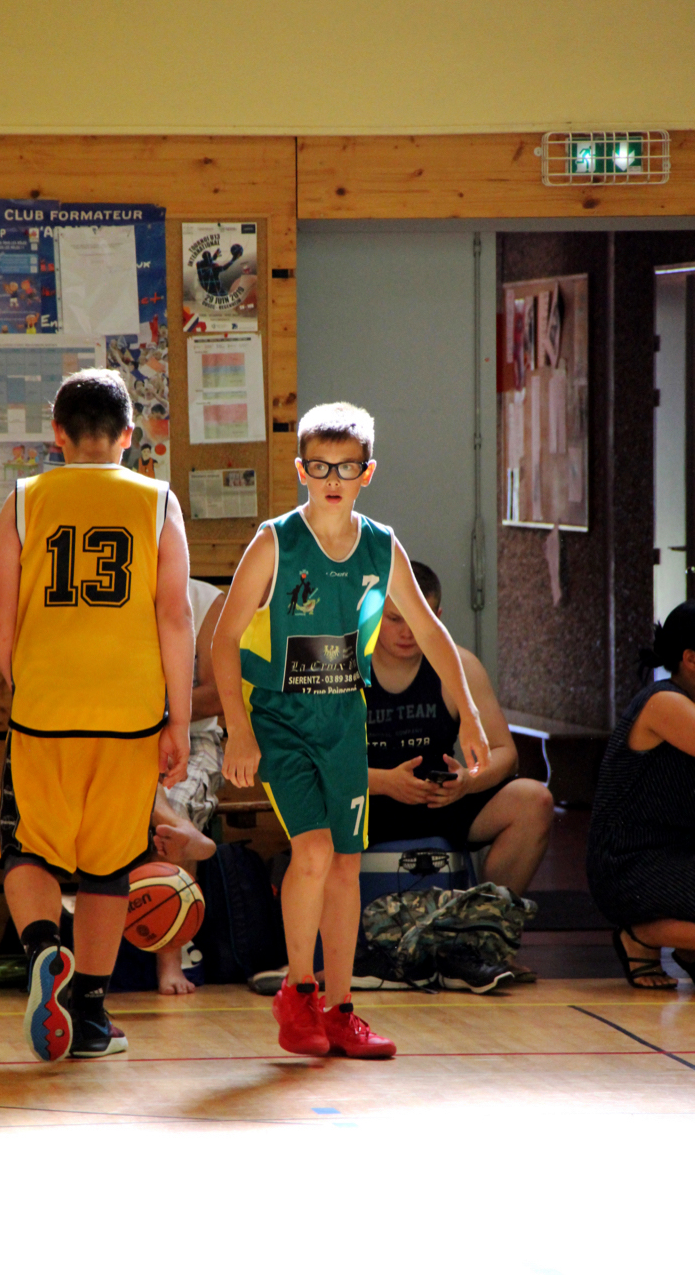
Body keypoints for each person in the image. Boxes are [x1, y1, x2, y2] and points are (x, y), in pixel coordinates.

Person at [212, 401, 490, 1059]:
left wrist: (471, 716)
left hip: (342, 717)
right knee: (310, 852)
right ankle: (298, 991)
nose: (331, 478)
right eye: (319, 466)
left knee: (343, 864)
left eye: (345, 467)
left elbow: (431, 633)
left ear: (368, 472)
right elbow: (224, 640)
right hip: (280, 719)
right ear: (300, 469)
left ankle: (340, 1010)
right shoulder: (274, 542)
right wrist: (239, 730)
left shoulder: (381, 546)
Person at [0, 367, 193, 1061]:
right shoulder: (158, 500)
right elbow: (175, 615)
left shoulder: (24, 499)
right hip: (128, 711)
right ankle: (93, 1016)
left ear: (58, 434)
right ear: (129, 436)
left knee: (28, 847)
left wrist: (23, 684)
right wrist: (177, 720)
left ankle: (45, 948)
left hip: (46, 708)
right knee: (110, 864)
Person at [367, 562, 553, 898]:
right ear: (374, 614)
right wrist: (384, 782)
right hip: (369, 801)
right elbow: (318, 765)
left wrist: (468, 781)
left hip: (440, 800)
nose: (408, 632)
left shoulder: (461, 666)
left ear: (438, 618)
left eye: (420, 619)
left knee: (534, 800)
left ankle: (486, 915)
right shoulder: (345, 669)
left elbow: (505, 753)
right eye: (396, 619)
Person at [587, 602, 695, 990]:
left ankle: (687, 948)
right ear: (691, 659)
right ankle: (642, 935)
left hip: (679, 858)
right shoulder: (664, 702)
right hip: (630, 865)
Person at [153, 577, 223, 995]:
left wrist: (158, 713)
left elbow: (217, 695)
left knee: (174, 816)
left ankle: (171, 959)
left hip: (195, 737)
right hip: (126, 737)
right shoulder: (114, 595)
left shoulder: (208, 600)